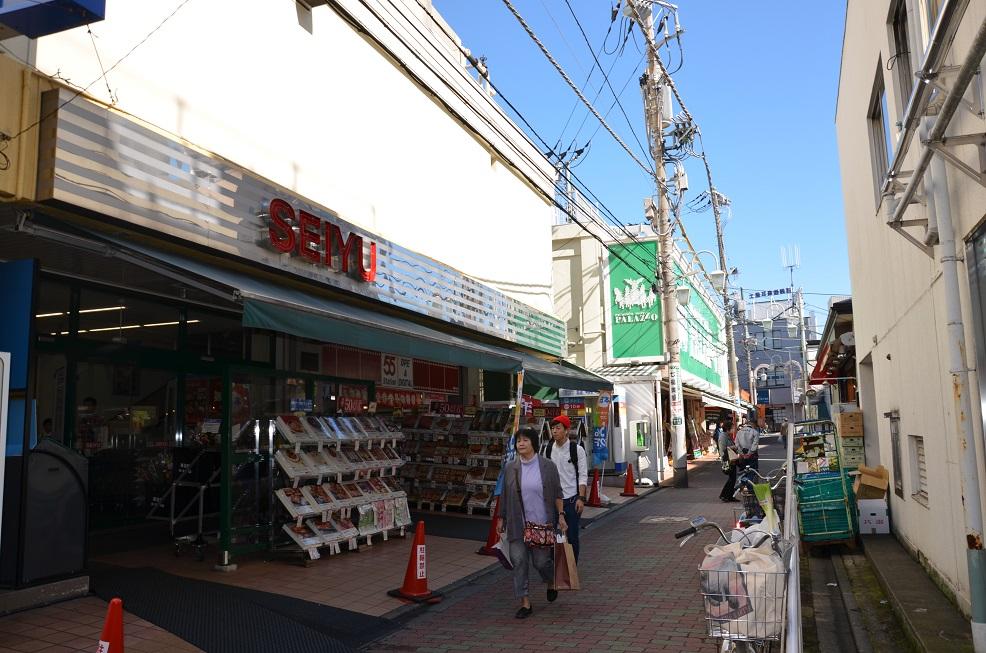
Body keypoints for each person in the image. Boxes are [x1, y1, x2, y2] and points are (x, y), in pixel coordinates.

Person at [499, 427, 565, 619]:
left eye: (525, 440)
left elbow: (558, 494)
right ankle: (525, 602)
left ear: (533, 443)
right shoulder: (510, 467)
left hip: (541, 525)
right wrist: (501, 518)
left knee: (541, 562)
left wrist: (560, 516)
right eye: (518, 440)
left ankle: (551, 580)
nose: (521, 443)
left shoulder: (548, 467)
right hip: (517, 524)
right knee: (519, 561)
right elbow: (504, 495)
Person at [543, 415, 587, 562]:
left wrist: (581, 498)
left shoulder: (577, 450)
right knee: (550, 536)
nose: (554, 431)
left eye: (558, 428)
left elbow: (582, 475)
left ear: (566, 431)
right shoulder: (548, 449)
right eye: (553, 428)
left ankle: (571, 569)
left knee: (572, 536)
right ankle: (553, 571)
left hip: (571, 500)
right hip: (552, 501)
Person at [717, 420, 739, 502]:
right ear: (727, 428)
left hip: (732, 459)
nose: (733, 429)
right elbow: (723, 449)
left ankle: (729, 496)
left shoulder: (727, 435)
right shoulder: (723, 436)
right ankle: (724, 495)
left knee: (732, 479)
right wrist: (733, 447)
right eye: (732, 428)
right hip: (727, 460)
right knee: (731, 478)